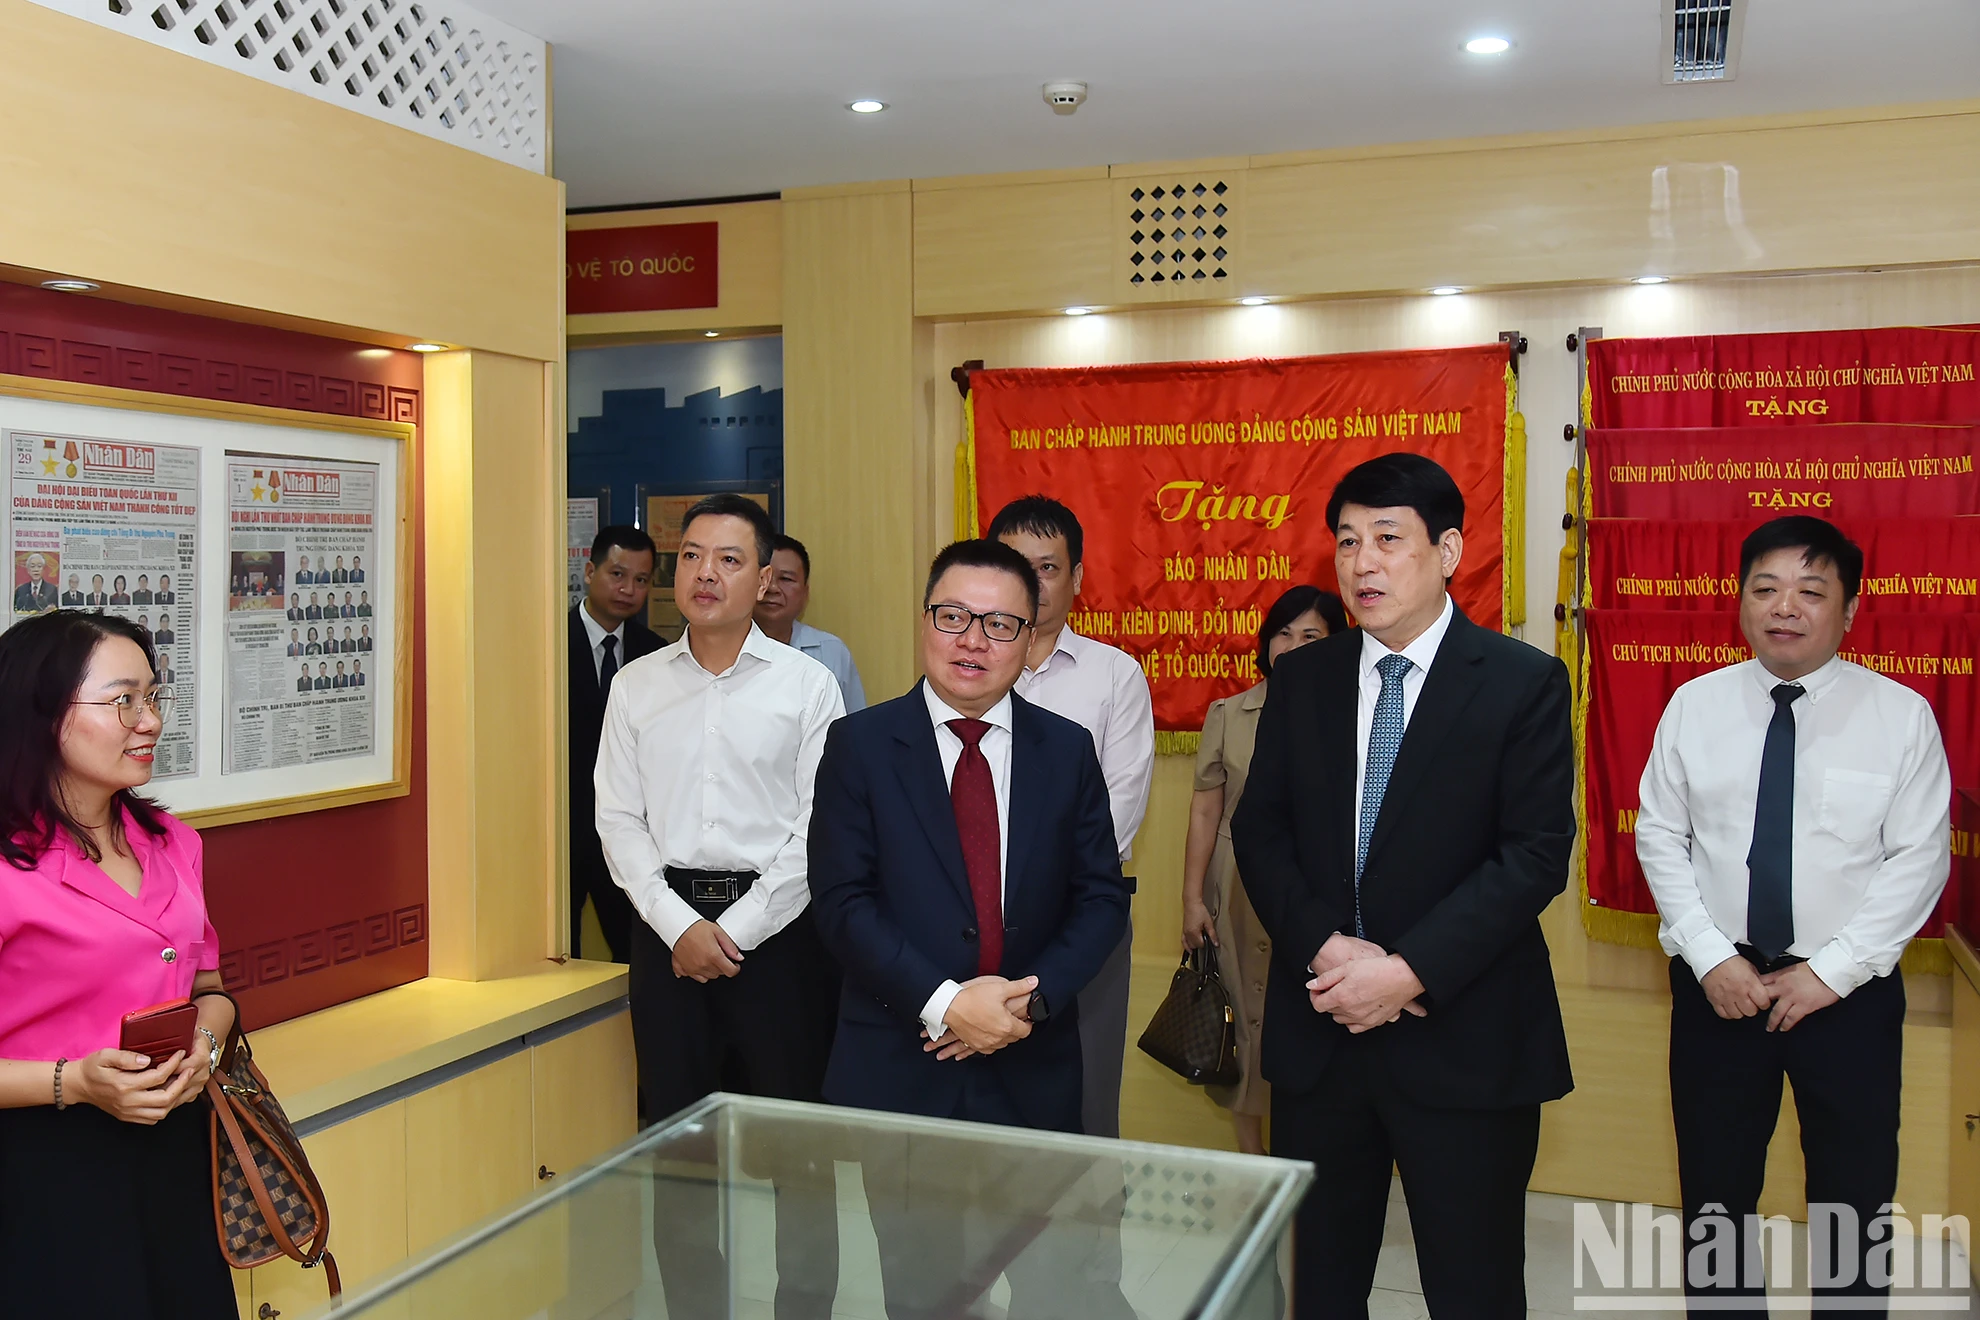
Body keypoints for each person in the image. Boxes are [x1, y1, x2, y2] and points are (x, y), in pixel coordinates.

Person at [1232, 453, 1576, 1320]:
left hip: (1464, 1038)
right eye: (1347, 541)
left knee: (1474, 1285)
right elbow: (1259, 830)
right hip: (1323, 1035)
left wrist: (1406, 969)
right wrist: (1328, 948)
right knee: (1324, 1285)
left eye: (1389, 538)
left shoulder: (1521, 682)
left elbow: (1534, 855)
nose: (1363, 563)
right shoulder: (1304, 679)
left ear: (1450, 549)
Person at [809, 538, 1134, 1320]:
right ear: (924, 621)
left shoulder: (1066, 749)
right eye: (953, 616)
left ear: (1030, 639)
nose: (972, 641)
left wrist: (1028, 1001)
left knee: (1049, 1286)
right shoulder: (860, 746)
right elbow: (843, 902)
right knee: (922, 1292)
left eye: (999, 625)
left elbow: (1100, 899)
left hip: (1033, 1061)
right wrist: (946, 1001)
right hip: (906, 1060)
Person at [1636, 516, 1950, 1313]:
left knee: (1852, 1200)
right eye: (1766, 588)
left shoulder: (1900, 717)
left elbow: (1917, 861)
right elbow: (1660, 837)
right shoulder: (1693, 706)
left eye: (1812, 591)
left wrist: (1830, 974)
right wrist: (1709, 956)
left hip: (1848, 996)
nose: (1786, 608)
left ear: (1849, 608)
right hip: (1720, 988)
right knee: (1716, 1197)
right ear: (1739, 601)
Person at [595, 493, 844, 1320]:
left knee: (796, 1152)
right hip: (666, 934)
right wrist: (679, 926)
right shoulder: (635, 687)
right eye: (693, 555)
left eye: (730, 559)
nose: (706, 574)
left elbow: (818, 834)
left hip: (779, 941)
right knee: (679, 1149)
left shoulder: (809, 687)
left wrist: (727, 933)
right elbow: (617, 820)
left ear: (767, 578)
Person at [0, 610, 239, 1320]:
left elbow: (212, 988)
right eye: (122, 700)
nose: (150, 721)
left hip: (174, 1158)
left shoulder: (173, 843)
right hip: (43, 1175)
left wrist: (207, 1045)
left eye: (154, 696)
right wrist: (73, 1081)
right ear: (42, 714)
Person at [987, 495, 1153, 1140]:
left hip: (1079, 921)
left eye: (1047, 567)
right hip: (967, 922)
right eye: (1013, 564)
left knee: (1080, 1108)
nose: (1029, 582)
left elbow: (1119, 809)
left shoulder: (1113, 677)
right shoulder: (965, 668)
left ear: (1077, 579)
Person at [1181, 584, 1348, 1155]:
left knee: (1301, 1015)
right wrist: (1192, 899)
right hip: (1234, 887)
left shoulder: (1355, 714)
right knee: (1241, 1017)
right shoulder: (1229, 714)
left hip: (1316, 888)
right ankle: (1253, 1158)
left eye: (1311, 636)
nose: (1294, 646)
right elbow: (1206, 809)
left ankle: (1305, 1159)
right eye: (1284, 633)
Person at [568, 525, 663, 964]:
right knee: (556, 952)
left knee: (633, 954)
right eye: (617, 574)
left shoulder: (656, 654)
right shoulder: (548, 640)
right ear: (590, 571)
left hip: (629, 832)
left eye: (641, 580)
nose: (628, 589)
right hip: (560, 828)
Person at [754, 533, 867, 713]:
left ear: (805, 593)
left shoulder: (832, 652)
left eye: (786, 579)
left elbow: (856, 727)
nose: (772, 588)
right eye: (763, 578)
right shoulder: (722, 649)